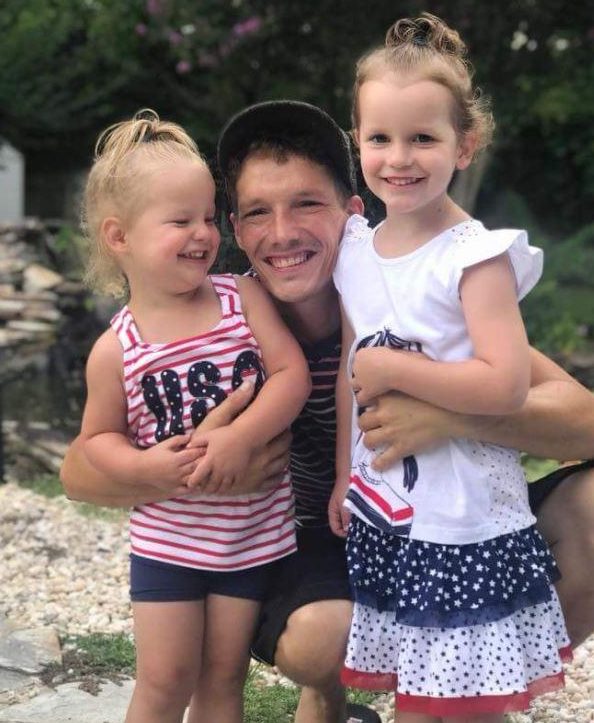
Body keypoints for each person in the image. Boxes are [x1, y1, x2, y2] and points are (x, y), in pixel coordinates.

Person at [60, 99, 594, 723]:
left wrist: (456, 416)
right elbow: (79, 470)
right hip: (308, 544)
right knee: (322, 634)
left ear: (354, 212)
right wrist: (181, 468)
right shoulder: (225, 316)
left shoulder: (412, 296)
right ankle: (329, 695)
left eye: (308, 204)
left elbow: (579, 415)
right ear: (235, 227)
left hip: (449, 521)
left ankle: (478, 687)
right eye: (259, 212)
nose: (282, 233)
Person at [331, 13, 571, 721]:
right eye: (379, 138)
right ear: (358, 141)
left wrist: (398, 372)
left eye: (422, 139)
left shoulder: (476, 256)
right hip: (392, 510)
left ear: (464, 146)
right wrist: (346, 475)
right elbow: (355, 376)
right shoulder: (356, 250)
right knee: (418, 696)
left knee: (465, 703)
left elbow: (506, 382)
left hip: (463, 519)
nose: (398, 158)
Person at [77, 108, 311, 723]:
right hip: (168, 542)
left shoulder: (242, 298)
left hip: (250, 537)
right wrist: (146, 465)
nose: (204, 233)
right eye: (180, 220)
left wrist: (241, 436)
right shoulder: (117, 349)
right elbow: (97, 440)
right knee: (164, 680)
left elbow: (292, 376)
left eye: (208, 217)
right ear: (119, 237)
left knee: (222, 680)